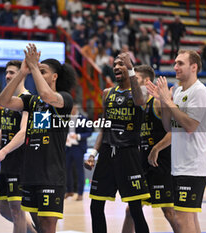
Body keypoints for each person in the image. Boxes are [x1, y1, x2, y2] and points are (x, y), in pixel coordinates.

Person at [0, 44, 76, 233]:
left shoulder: (64, 99)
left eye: (43, 71)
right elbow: (3, 101)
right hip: (30, 173)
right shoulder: (32, 102)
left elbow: (48, 96)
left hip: (51, 174)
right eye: (37, 71)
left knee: (48, 225)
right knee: (38, 225)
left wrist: (33, 66)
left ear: (54, 76)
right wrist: (21, 73)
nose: (37, 73)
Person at [84, 53, 151, 233]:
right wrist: (93, 154)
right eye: (114, 64)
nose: (116, 67)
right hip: (106, 153)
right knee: (95, 206)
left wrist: (130, 69)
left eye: (121, 64)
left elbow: (139, 101)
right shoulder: (107, 93)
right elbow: (104, 128)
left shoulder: (140, 91)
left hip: (128, 154)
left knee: (136, 209)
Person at [146, 50, 206, 233]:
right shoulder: (179, 90)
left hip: (193, 165)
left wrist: (169, 101)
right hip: (180, 165)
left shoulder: (200, 91)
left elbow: (190, 126)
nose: (175, 67)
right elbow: (169, 127)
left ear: (194, 67)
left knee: (182, 219)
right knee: (189, 217)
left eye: (180, 63)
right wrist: (164, 103)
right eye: (175, 63)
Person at [0, 60, 36, 233]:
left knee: (17, 211)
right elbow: (4, 130)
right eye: (7, 72)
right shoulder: (7, 102)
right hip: (7, 161)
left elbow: (23, 132)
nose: (8, 75)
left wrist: (3, 151)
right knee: (4, 209)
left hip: (21, 161)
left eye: (12, 72)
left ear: (22, 74)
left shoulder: (27, 99)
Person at [122, 65, 177, 233]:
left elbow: (175, 132)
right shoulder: (139, 104)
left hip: (162, 165)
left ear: (146, 82)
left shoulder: (159, 102)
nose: (132, 83)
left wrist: (156, 149)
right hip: (143, 165)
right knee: (131, 210)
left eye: (136, 79)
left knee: (169, 212)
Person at [65, 103, 92, 201]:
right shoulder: (65, 118)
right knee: (66, 170)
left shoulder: (83, 119)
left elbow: (89, 132)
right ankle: (69, 191)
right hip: (68, 147)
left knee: (79, 170)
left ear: (76, 108)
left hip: (78, 148)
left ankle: (80, 193)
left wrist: (78, 136)